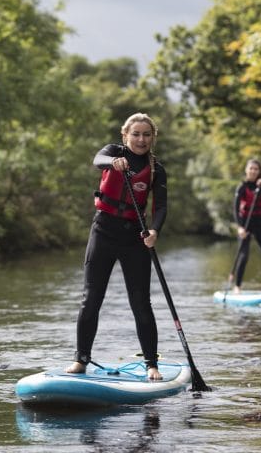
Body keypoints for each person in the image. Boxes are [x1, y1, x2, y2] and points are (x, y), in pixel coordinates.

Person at [66, 113, 168, 381]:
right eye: (136, 134)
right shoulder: (113, 152)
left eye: (147, 134)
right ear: (126, 135)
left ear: (152, 137)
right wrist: (114, 163)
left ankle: (151, 364)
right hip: (103, 231)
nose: (141, 139)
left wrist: (155, 230)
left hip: (135, 236)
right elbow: (97, 160)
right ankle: (81, 359)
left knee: (141, 303)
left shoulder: (156, 168)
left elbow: (161, 206)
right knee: (91, 299)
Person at [232, 158, 261, 293]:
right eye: (251, 168)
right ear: (246, 170)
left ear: (259, 171)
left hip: (259, 223)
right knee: (243, 256)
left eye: (256, 169)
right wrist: (239, 227)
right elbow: (235, 208)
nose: (253, 171)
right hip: (245, 223)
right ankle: (237, 286)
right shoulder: (242, 187)